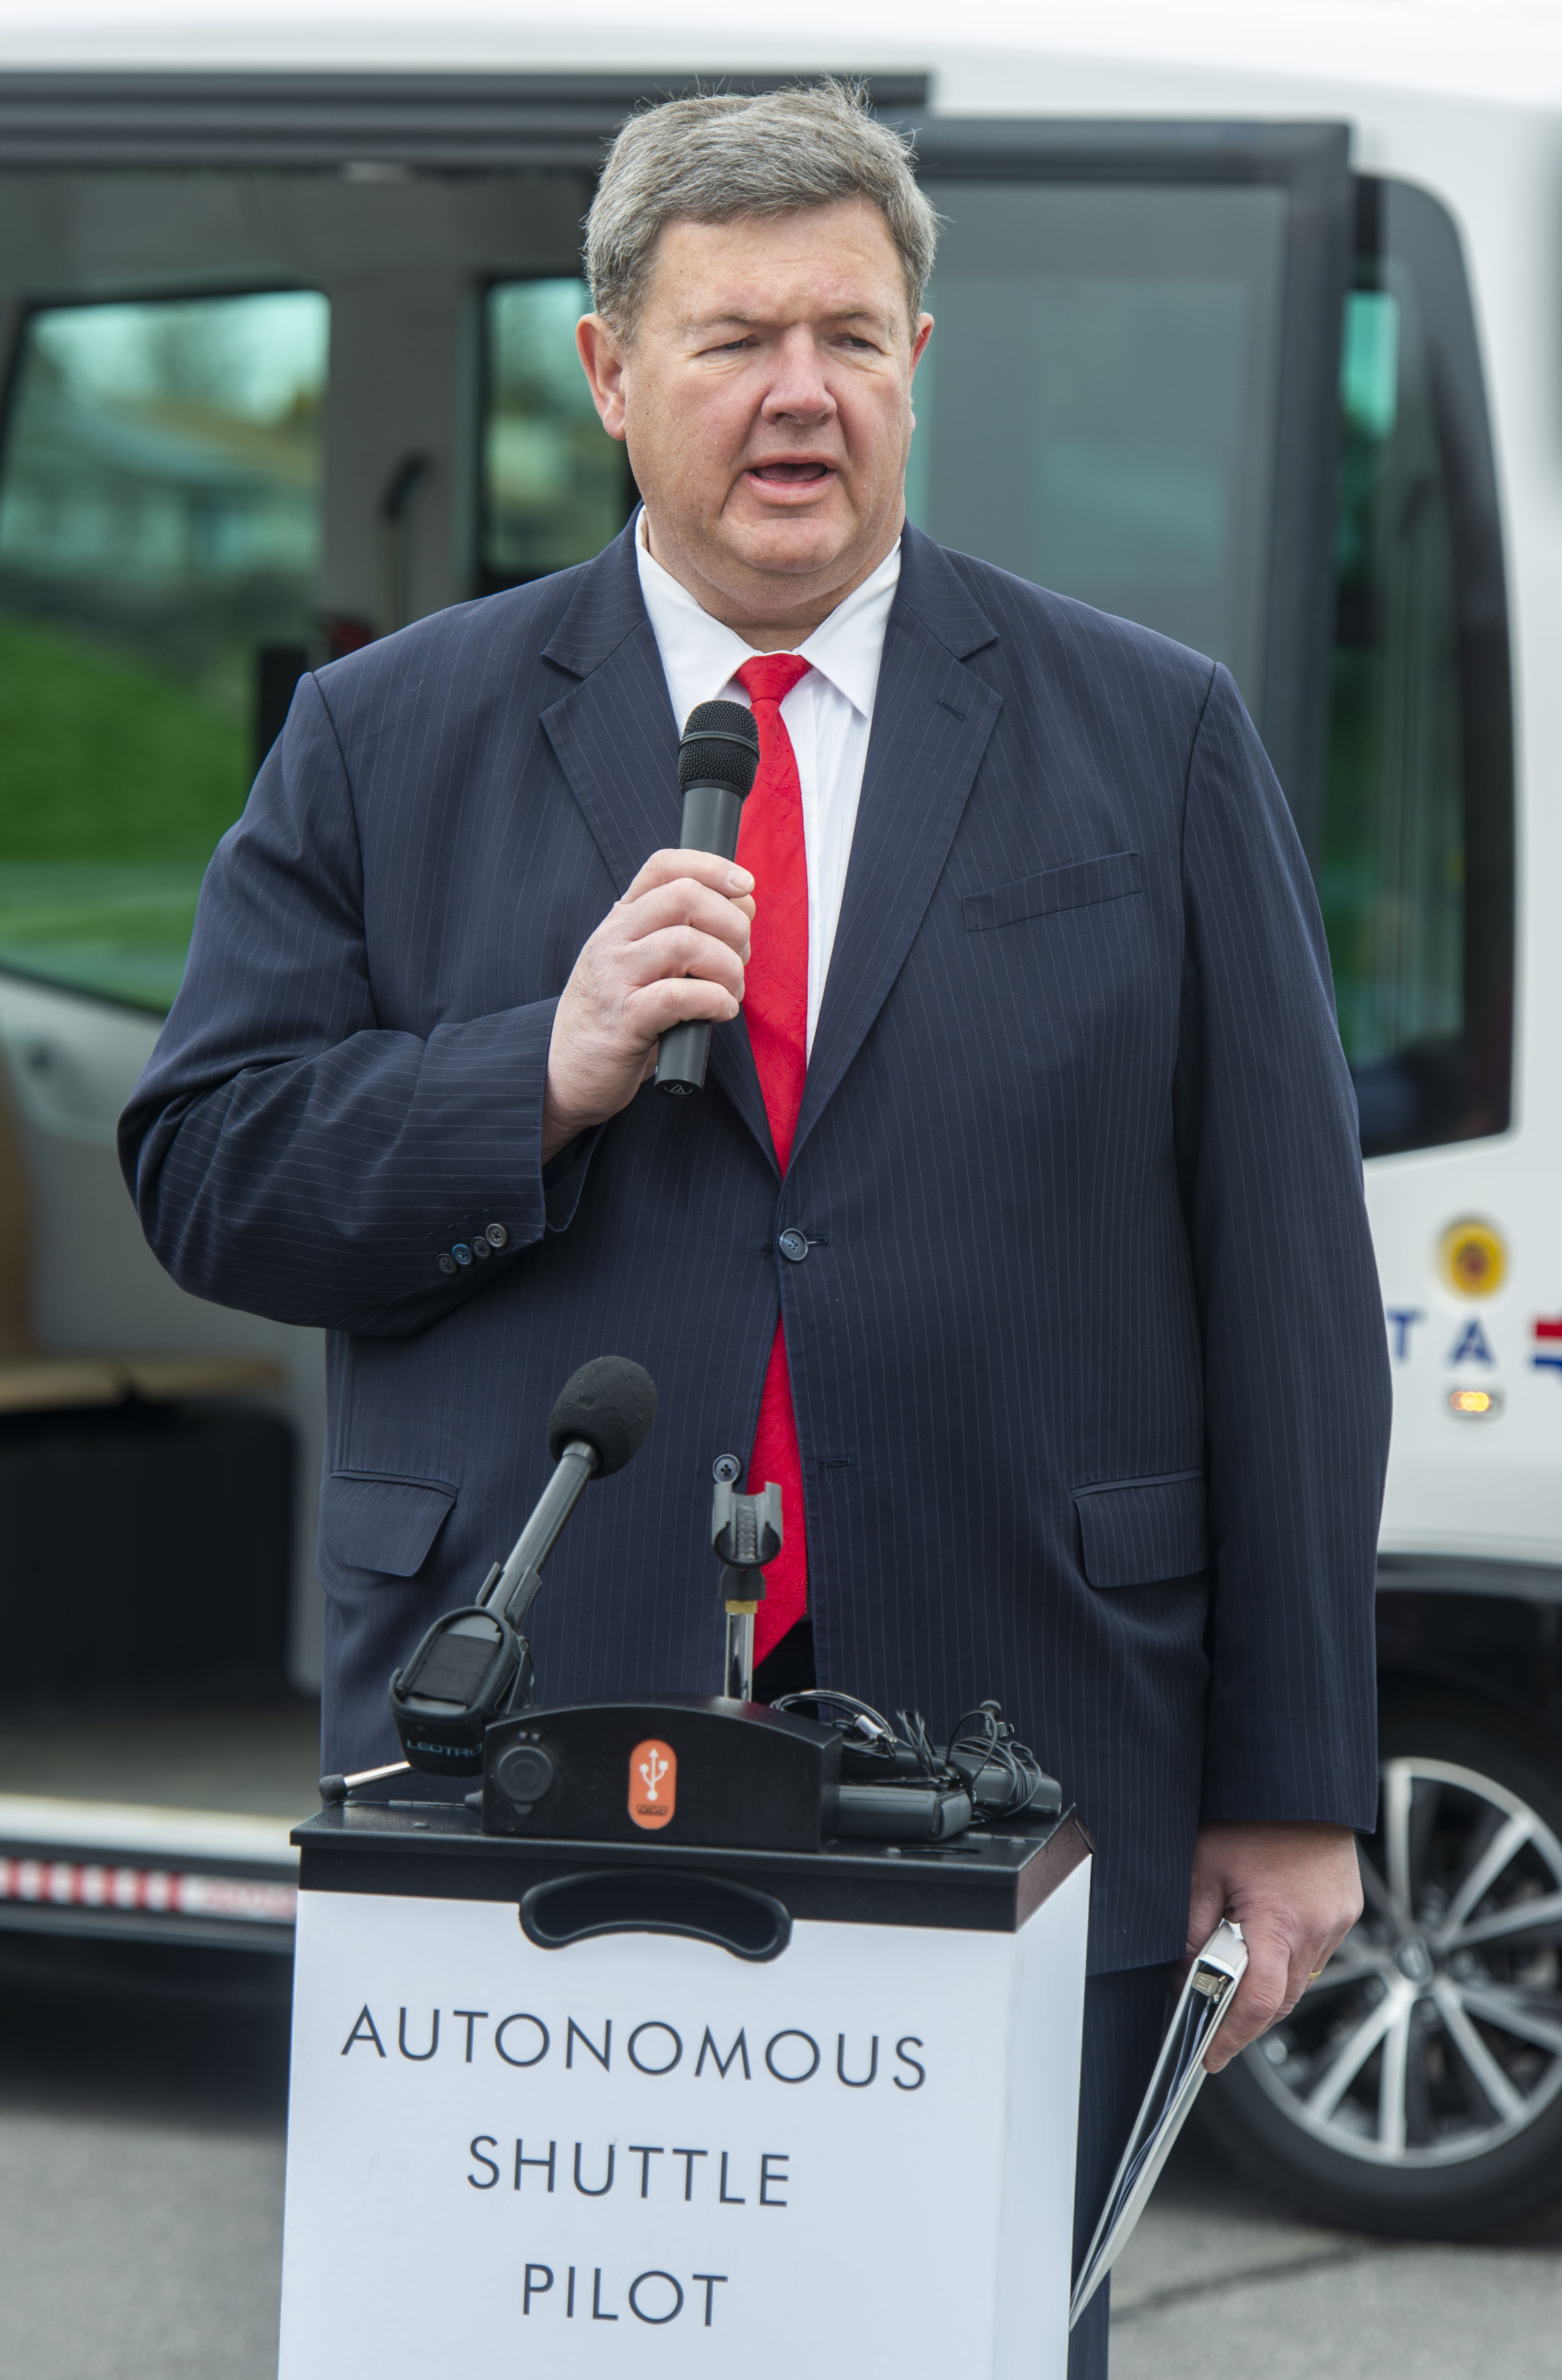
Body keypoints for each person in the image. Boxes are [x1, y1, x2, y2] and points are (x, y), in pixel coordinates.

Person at [120, 82, 1389, 2374]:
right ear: (609, 373)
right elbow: (208, 1165)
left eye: (850, 335)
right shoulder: (383, 739)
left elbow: (1287, 1292)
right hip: (525, 1728)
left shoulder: (1154, 733)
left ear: (922, 361)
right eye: (731, 340)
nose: (797, 393)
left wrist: (1293, 1791)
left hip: (1032, 1740)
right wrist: (534, 1069)